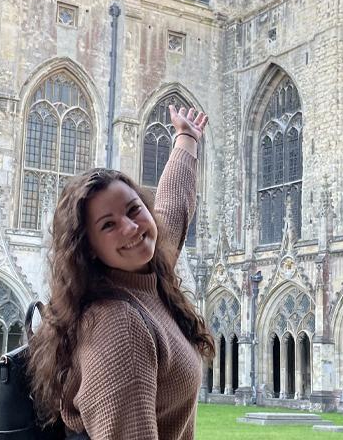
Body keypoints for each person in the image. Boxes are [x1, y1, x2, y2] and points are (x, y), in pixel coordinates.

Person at [28, 105, 215, 440]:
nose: (131, 228)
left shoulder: (144, 275)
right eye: (109, 225)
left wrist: (186, 140)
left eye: (134, 210)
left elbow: (173, 208)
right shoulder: (119, 325)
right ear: (88, 248)